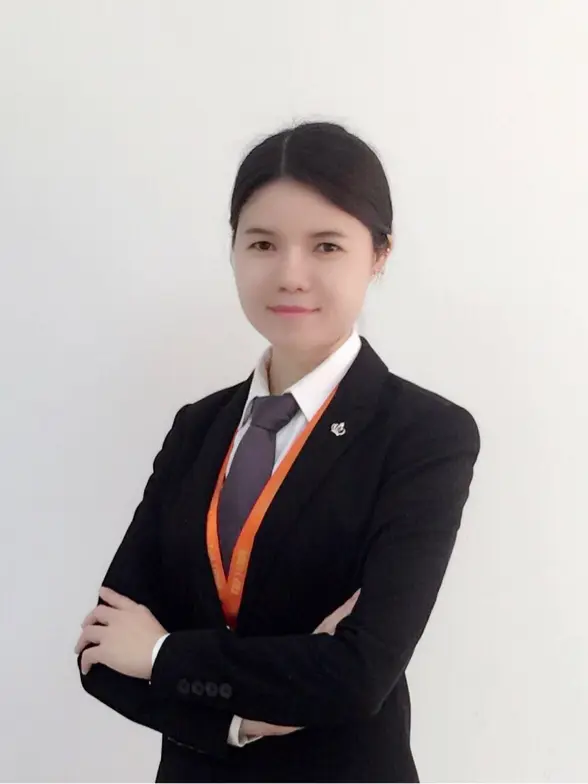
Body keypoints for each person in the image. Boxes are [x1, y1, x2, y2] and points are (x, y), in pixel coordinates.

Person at [75, 121, 481, 783]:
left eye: (327, 246)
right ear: (234, 247)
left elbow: (358, 676)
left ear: (379, 254)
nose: (290, 275)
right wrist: (237, 722)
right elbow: (100, 653)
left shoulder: (424, 434)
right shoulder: (197, 428)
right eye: (263, 243)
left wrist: (160, 655)